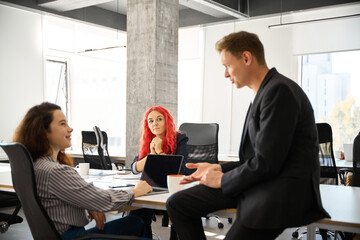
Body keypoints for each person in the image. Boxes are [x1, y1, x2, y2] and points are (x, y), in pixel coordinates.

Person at [166, 31, 330, 240]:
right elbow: (252, 160)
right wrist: (219, 168)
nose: (225, 74)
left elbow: (267, 163)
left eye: (227, 65)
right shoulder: (262, 94)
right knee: (178, 203)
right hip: (261, 182)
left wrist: (223, 180)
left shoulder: (279, 91)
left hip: (280, 192)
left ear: (246, 58)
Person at [13, 102, 152, 240]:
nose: (70, 128)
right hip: (74, 237)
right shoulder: (55, 172)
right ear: (43, 132)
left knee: (135, 223)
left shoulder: (34, 165)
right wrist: (135, 191)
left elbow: (58, 202)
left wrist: (87, 204)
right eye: (62, 124)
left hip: (62, 235)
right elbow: (103, 200)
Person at [130, 105, 188, 239]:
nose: (154, 123)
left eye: (159, 119)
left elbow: (181, 169)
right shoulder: (148, 140)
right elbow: (134, 167)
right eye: (151, 121)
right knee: (136, 212)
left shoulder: (180, 138)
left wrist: (160, 151)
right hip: (153, 188)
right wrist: (151, 154)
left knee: (177, 209)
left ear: (166, 120)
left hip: (174, 189)